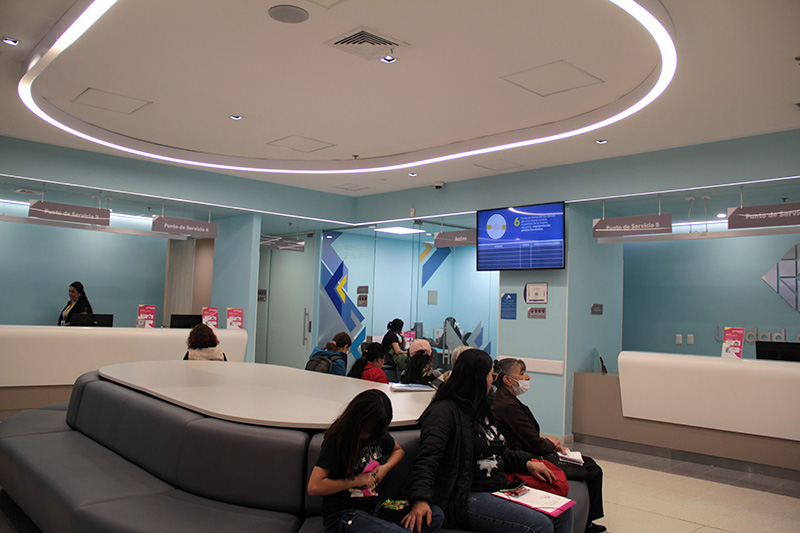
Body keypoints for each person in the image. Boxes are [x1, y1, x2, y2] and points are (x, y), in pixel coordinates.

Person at [403, 349, 573, 533]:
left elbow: (497, 450)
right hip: (465, 494)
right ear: (477, 378)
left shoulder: (482, 408)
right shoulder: (443, 413)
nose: (493, 381)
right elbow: (428, 460)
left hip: (497, 486)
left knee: (563, 512)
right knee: (540, 525)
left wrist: (527, 463)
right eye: (490, 376)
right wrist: (421, 499)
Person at [491, 358, 605, 533]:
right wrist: (551, 443)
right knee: (592, 469)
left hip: (527, 451)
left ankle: (587, 521)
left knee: (589, 464)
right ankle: (587, 524)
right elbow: (535, 444)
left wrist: (549, 444)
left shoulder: (504, 400)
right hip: (528, 457)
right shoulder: (508, 405)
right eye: (521, 373)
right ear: (507, 379)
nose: (527, 377)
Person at [307, 389, 444, 533]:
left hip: (375, 508)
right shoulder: (338, 442)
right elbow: (314, 486)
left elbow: (398, 451)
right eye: (367, 432)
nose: (370, 438)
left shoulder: (376, 434)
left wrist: (385, 468)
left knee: (435, 515)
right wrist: (356, 481)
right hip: (344, 515)